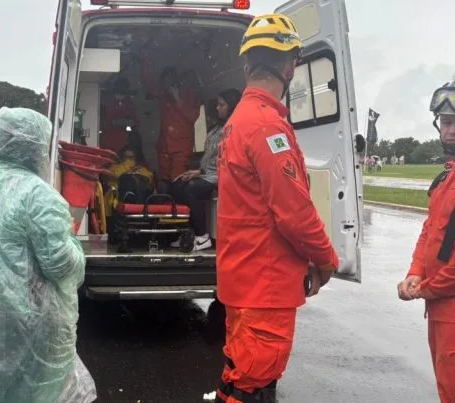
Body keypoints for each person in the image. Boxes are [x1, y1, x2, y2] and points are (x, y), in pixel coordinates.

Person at [209, 14, 339, 403]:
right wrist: (326, 259)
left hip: (245, 279)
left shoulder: (238, 121)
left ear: (247, 63)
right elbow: (293, 211)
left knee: (239, 378)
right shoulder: (266, 125)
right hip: (265, 286)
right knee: (252, 386)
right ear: (290, 65)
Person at [0, 107, 97, 403]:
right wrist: (75, 246)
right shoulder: (38, 195)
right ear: (35, 147)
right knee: (33, 387)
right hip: (27, 313)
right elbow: (60, 265)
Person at [397, 73, 455, 403]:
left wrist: (427, 288)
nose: (452, 130)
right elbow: (430, 230)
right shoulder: (451, 174)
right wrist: (415, 272)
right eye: (446, 121)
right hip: (444, 309)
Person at [171, 89, 241, 251]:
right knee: (177, 185)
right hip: (208, 173)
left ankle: (202, 236)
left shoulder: (233, 128)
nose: (218, 108)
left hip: (222, 174)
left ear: (232, 106)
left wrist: (202, 174)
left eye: (222, 105)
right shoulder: (217, 128)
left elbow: (228, 159)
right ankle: (187, 233)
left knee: (191, 189)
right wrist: (198, 171)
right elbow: (209, 157)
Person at [141, 59, 202, 191]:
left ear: (176, 81)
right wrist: (144, 62)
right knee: (164, 182)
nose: (166, 86)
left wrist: (177, 99)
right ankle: (166, 208)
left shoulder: (190, 94)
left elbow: (193, 117)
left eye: (169, 83)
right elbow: (149, 86)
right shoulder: (163, 95)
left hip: (181, 148)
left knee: (178, 182)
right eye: (164, 83)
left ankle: (179, 208)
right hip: (164, 147)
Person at [100, 77, 139, 153]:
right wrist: (113, 122)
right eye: (120, 88)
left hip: (125, 144)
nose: (122, 90)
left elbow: (136, 123)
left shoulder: (129, 103)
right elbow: (98, 122)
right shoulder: (105, 101)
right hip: (107, 142)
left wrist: (129, 123)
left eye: (124, 88)